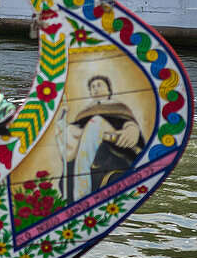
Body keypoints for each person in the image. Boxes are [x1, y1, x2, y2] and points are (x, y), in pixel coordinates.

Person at [60, 74, 144, 202]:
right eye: (92, 87)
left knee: (96, 122)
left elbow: (127, 122)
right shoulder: (86, 111)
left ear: (109, 89)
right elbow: (76, 127)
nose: (96, 89)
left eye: (99, 85)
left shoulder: (118, 107)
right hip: (81, 146)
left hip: (111, 145)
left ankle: (82, 196)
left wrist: (131, 128)